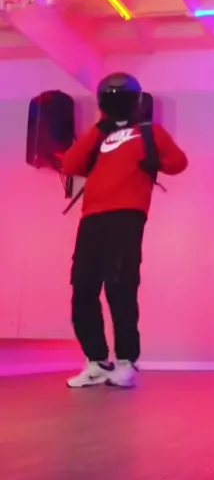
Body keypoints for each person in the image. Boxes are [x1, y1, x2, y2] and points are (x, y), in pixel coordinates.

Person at [62, 73, 188, 389]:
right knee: (83, 289)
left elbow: (178, 162)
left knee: (120, 288)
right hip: (91, 218)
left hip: (127, 217)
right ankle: (96, 361)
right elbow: (71, 165)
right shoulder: (98, 135)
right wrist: (100, 127)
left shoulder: (149, 131)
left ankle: (126, 361)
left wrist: (152, 160)